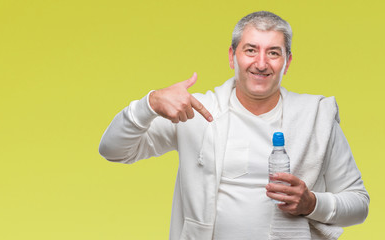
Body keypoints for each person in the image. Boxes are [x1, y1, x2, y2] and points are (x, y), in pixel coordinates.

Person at [99, 11, 369, 240]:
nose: (261, 63)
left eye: (273, 53)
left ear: (286, 63)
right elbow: (113, 150)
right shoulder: (195, 112)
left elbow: (358, 203)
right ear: (232, 57)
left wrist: (312, 203)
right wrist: (149, 104)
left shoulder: (315, 117)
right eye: (250, 50)